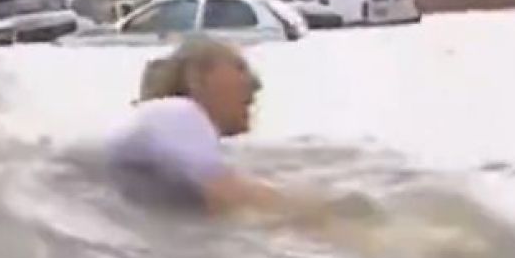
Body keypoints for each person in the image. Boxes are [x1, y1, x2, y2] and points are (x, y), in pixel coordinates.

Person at [105, 36, 380, 229]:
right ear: (197, 77)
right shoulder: (179, 113)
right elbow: (236, 199)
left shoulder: (172, 134)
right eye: (239, 67)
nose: (256, 84)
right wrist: (339, 214)